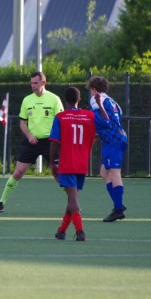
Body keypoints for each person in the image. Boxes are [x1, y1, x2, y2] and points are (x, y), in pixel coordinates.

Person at [0, 71, 64, 213]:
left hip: (51, 143)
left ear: (43, 83)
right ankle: (1, 204)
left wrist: (57, 139)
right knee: (17, 173)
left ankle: (73, 204)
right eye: (31, 83)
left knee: (58, 174)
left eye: (36, 83)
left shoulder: (54, 99)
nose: (33, 86)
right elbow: (22, 123)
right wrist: (29, 135)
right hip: (32, 142)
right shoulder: (27, 100)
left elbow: (61, 122)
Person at [49, 87, 95, 241]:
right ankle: (61, 230)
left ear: (64, 100)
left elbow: (54, 143)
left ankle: (80, 231)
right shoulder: (89, 116)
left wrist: (51, 162)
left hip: (67, 162)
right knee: (72, 197)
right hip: (82, 163)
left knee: (73, 199)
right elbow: (96, 135)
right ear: (79, 99)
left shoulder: (61, 117)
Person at [86, 76, 128, 222]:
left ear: (93, 89)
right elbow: (114, 121)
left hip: (113, 140)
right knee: (104, 172)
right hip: (117, 138)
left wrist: (94, 132)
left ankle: (117, 210)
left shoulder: (96, 99)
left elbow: (105, 120)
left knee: (114, 173)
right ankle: (119, 204)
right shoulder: (113, 101)